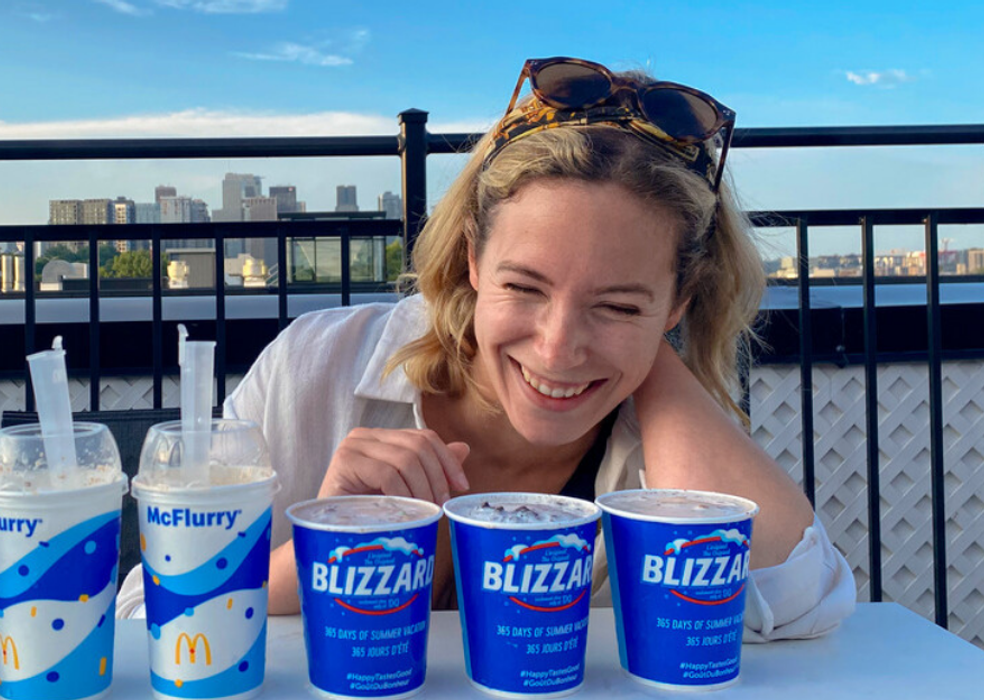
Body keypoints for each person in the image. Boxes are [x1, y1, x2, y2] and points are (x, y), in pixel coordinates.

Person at [118, 56, 856, 641]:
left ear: (681, 301)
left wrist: (651, 356)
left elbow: (796, 607)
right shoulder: (318, 365)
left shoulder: (660, 436)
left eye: (618, 302)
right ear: (471, 262)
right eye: (525, 287)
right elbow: (145, 614)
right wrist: (328, 549)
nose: (559, 348)